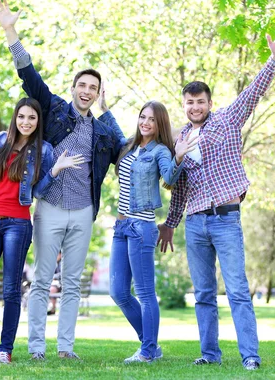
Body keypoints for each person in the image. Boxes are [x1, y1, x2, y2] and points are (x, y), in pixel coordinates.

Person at [157, 25, 275, 370]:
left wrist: (274, 59)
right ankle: (210, 353)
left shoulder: (227, 120)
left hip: (225, 218)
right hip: (195, 222)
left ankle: (250, 355)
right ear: (184, 104)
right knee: (204, 294)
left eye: (200, 102)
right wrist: (170, 224)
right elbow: (176, 186)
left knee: (236, 290)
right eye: (189, 103)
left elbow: (253, 93)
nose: (195, 107)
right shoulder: (179, 138)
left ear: (209, 103)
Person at [0, 0, 123, 360]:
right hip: (49, 207)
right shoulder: (55, 109)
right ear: (75, 87)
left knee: (72, 286)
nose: (86, 91)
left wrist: (110, 115)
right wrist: (10, 31)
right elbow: (28, 74)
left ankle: (66, 349)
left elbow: (125, 151)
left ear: (97, 94)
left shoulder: (101, 133)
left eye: (93, 88)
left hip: (82, 213)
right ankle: (36, 348)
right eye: (82, 84)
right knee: (41, 281)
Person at [0, 88, 83, 364]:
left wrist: (55, 170)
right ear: (16, 118)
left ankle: (6, 348)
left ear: (38, 122)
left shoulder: (44, 150)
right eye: (22, 116)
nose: (26, 122)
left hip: (18, 222)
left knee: (12, 289)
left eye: (32, 118)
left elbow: (38, 191)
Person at [101, 89, 198, 363]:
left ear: (160, 124)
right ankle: (151, 345)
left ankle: (147, 351)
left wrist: (178, 156)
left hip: (142, 227)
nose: (145, 122)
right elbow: (116, 131)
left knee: (144, 293)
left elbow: (169, 176)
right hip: (120, 228)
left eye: (152, 120)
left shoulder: (161, 152)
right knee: (118, 292)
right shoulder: (130, 146)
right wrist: (105, 107)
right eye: (143, 117)